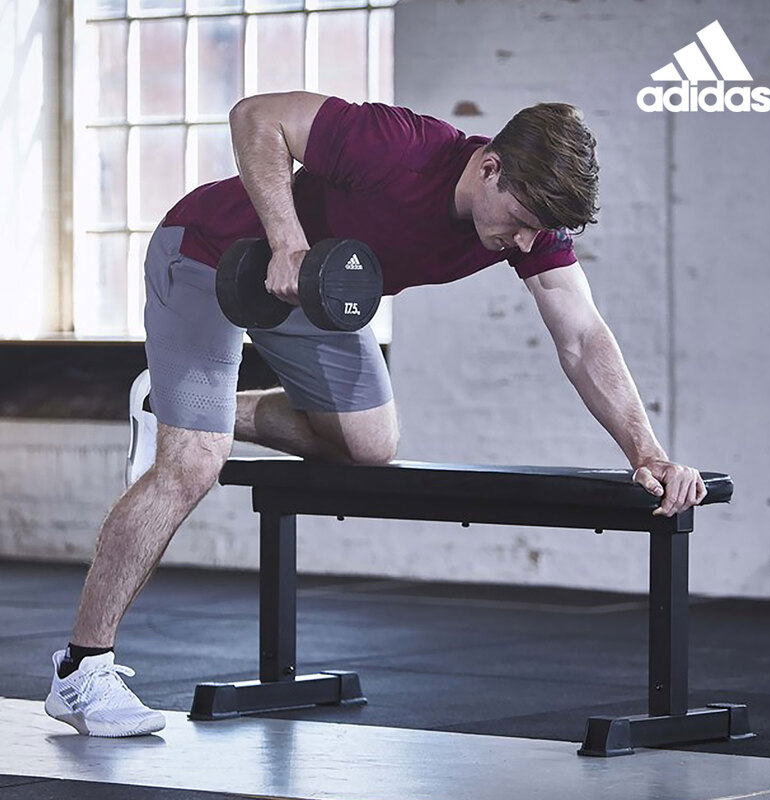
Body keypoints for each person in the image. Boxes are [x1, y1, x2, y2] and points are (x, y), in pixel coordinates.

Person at [45, 91, 707, 737]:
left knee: (368, 446)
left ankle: (170, 404)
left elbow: (582, 336)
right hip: (212, 253)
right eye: (522, 217)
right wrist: (286, 240)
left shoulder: (531, 229)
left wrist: (646, 451)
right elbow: (256, 116)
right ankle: (82, 670)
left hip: (318, 286)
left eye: (540, 228)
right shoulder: (402, 146)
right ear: (490, 167)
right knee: (195, 461)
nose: (527, 240)